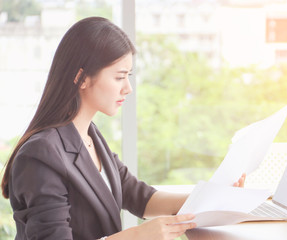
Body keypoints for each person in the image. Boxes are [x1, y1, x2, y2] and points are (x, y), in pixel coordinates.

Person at [1, 17, 246, 240]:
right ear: (82, 78)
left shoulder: (89, 135)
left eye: (129, 76)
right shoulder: (40, 155)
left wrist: (212, 201)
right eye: (119, 77)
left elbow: (140, 197)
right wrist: (137, 236)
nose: (128, 88)